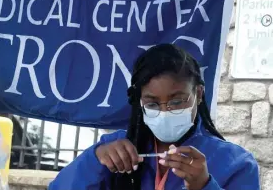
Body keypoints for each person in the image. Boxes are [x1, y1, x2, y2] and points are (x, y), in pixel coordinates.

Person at [48, 44, 260, 190]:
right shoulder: (115, 149)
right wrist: (94, 161)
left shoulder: (236, 163)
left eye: (177, 101)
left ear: (199, 94)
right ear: (139, 102)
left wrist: (204, 186)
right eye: (152, 103)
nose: (165, 111)